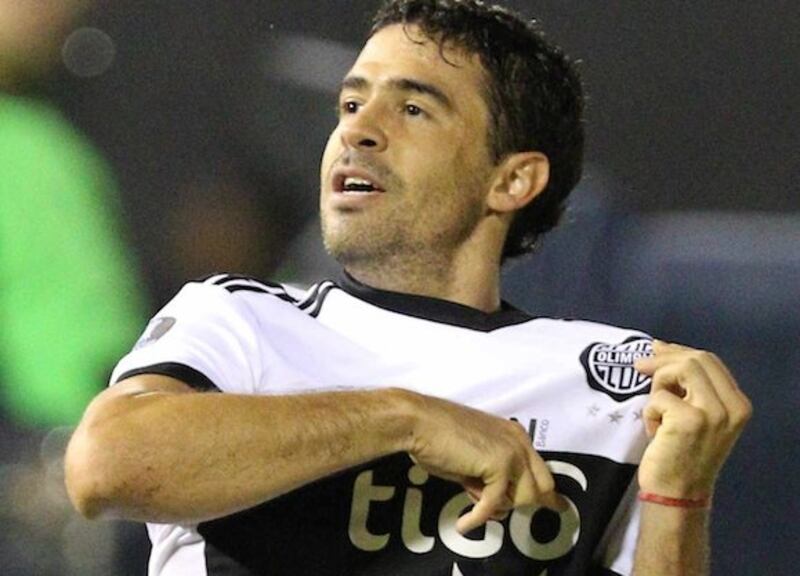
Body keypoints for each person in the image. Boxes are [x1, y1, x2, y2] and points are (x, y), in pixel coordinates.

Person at [64, 1, 752, 574]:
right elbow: (106, 466)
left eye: (414, 109)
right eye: (351, 102)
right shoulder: (240, 319)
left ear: (513, 180)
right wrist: (406, 419)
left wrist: (679, 497)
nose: (357, 131)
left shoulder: (613, 385)